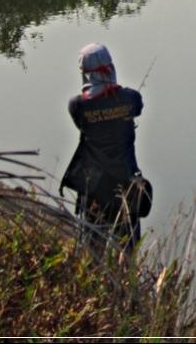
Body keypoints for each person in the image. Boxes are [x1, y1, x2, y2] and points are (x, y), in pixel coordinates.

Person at [60, 43, 145, 250]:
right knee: (127, 253)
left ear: (84, 74)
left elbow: (83, 123)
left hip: (94, 189)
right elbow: (137, 109)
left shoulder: (77, 105)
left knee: (92, 252)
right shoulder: (131, 98)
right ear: (111, 67)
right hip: (126, 188)